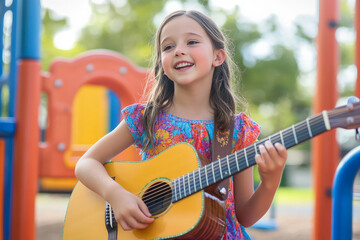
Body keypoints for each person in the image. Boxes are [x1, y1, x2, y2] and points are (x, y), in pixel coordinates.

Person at [75, 9, 287, 240]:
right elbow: (86, 163)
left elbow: (244, 216)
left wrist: (270, 182)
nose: (179, 50)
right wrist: (115, 195)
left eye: (192, 41)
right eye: (167, 47)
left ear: (218, 57)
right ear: (161, 63)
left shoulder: (236, 132)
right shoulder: (147, 119)